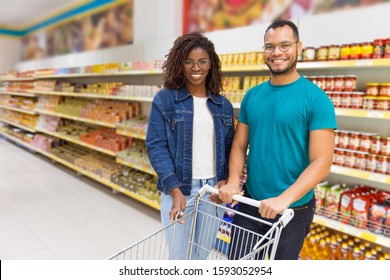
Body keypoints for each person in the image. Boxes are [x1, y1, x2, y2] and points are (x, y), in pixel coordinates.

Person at [218, 20, 337, 260]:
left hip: (292, 210)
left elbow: (322, 162)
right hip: (251, 202)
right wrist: (233, 181)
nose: (277, 53)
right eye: (269, 47)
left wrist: (285, 199)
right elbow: (240, 145)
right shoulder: (253, 95)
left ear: (298, 47)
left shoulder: (316, 99)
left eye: (285, 45)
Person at [146, 32, 234, 260]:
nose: (197, 67)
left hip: (212, 192)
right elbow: (156, 146)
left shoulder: (222, 104)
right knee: (179, 257)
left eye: (203, 61)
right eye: (189, 61)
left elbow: (228, 148)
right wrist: (174, 190)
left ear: (211, 64)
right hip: (180, 190)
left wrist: (224, 181)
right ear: (179, 63)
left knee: (201, 256)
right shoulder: (165, 99)